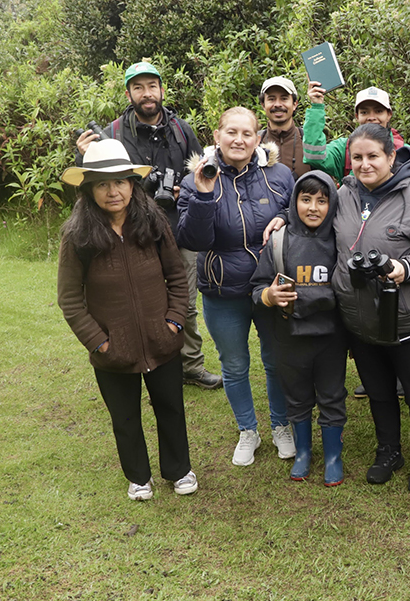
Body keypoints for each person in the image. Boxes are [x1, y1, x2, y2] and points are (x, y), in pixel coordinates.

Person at [56, 139, 197, 501]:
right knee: (125, 418)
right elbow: (70, 300)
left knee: (171, 408)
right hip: (112, 350)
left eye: (120, 181)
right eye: (102, 183)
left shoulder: (153, 222)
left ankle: (179, 470)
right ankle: (138, 476)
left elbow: (177, 277)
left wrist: (174, 323)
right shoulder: (77, 236)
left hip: (161, 340)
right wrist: (99, 342)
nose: (113, 191)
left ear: (133, 184)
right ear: (89, 189)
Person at [74, 61, 222, 392]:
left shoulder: (182, 130)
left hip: (176, 227)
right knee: (131, 297)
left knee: (184, 300)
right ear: (129, 93)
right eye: (138, 87)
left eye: (151, 86)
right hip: (125, 231)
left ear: (162, 90)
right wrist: (85, 157)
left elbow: (201, 170)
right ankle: (134, 362)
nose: (146, 93)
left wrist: (186, 186)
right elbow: (88, 188)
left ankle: (190, 364)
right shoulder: (111, 134)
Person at [332, 124, 410, 493]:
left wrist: (407, 269)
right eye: (357, 157)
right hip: (358, 318)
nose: (365, 164)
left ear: (391, 156)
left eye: (373, 156)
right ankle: (388, 450)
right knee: (378, 391)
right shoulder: (344, 194)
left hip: (405, 317)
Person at [177, 107, 297, 468]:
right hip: (221, 288)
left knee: (276, 361)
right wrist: (202, 195)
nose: (239, 140)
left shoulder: (279, 175)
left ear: (258, 139)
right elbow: (192, 239)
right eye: (231, 132)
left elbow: (303, 212)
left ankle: (281, 424)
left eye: (247, 133)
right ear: (217, 136)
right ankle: (248, 429)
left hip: (270, 286)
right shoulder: (195, 179)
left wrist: (286, 216)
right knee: (234, 364)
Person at [250, 171, 347, 485]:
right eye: (306, 199)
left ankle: (333, 455)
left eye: (322, 200)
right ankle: (303, 451)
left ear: (332, 203)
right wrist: (268, 295)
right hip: (290, 338)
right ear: (294, 202)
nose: (314, 207)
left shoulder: (340, 238)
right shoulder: (280, 240)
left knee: (332, 396)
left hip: (331, 338)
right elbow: (257, 288)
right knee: (298, 397)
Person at [301, 85, 406, 183]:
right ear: (357, 116)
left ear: (389, 115)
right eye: (364, 112)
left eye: (378, 111)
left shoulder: (404, 151)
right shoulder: (343, 149)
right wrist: (317, 106)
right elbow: (314, 156)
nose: (371, 117)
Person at [258, 76, 314, 178]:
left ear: (294, 104)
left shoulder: (309, 141)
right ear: (263, 105)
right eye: (271, 99)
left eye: (284, 99)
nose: (278, 104)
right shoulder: (254, 143)